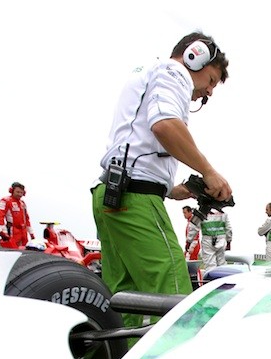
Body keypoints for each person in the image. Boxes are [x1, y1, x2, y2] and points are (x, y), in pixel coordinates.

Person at [91, 30, 232, 329]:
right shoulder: (174, 73)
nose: (209, 91)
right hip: (136, 200)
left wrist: (178, 189)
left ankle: (124, 356)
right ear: (195, 57)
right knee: (174, 296)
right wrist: (209, 172)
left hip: (111, 194)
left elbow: (137, 151)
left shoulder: (148, 74)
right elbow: (165, 126)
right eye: (211, 81)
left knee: (124, 300)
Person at [0, 182, 34, 247]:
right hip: (12, 229)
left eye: (21, 192)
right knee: (12, 248)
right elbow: (0, 217)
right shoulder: (5, 201)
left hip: (23, 231)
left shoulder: (22, 203)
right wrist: (4, 232)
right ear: (11, 191)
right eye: (18, 192)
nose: (20, 194)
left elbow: (27, 219)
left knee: (25, 248)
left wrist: (31, 233)